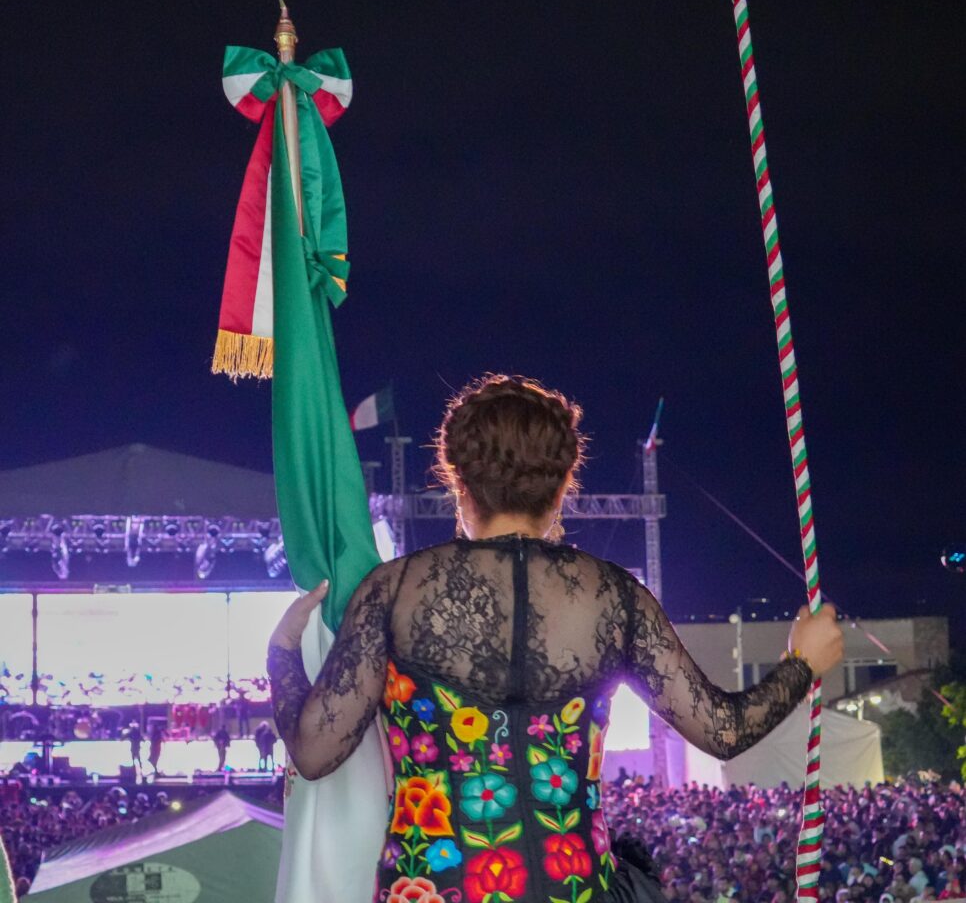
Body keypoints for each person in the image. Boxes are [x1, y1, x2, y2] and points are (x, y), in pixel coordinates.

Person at [267, 375, 844, 903]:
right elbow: (724, 730)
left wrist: (282, 653)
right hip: (574, 889)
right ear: (564, 485)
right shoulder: (614, 596)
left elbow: (314, 751)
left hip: (435, 888)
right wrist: (802, 663)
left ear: (457, 482)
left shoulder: (395, 590)